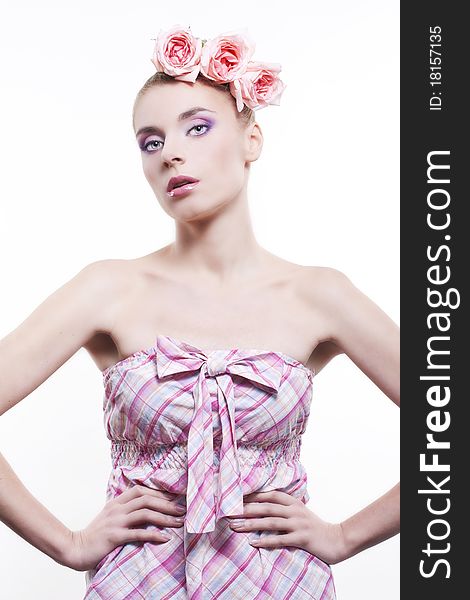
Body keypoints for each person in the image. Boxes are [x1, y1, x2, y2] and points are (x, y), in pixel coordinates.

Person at [0, 25, 399, 599]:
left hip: (280, 584)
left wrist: (344, 535)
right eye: (151, 141)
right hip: (137, 586)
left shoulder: (319, 296)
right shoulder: (109, 288)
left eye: (198, 126)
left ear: (251, 140)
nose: (172, 153)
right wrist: (68, 543)